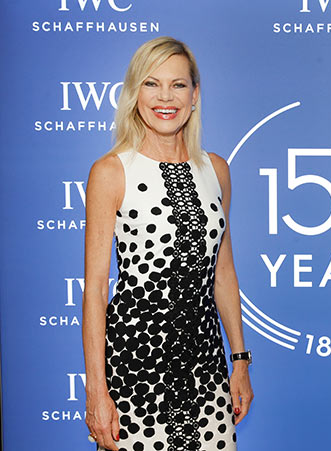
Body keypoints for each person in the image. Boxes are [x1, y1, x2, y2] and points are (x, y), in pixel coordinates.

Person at [82, 37, 253, 451]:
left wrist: (241, 360)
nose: (165, 97)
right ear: (134, 94)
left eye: (178, 85)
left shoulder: (216, 170)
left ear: (194, 95)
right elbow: (95, 291)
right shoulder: (110, 171)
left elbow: (224, 272)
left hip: (207, 366)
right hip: (134, 368)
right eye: (152, 84)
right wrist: (96, 392)